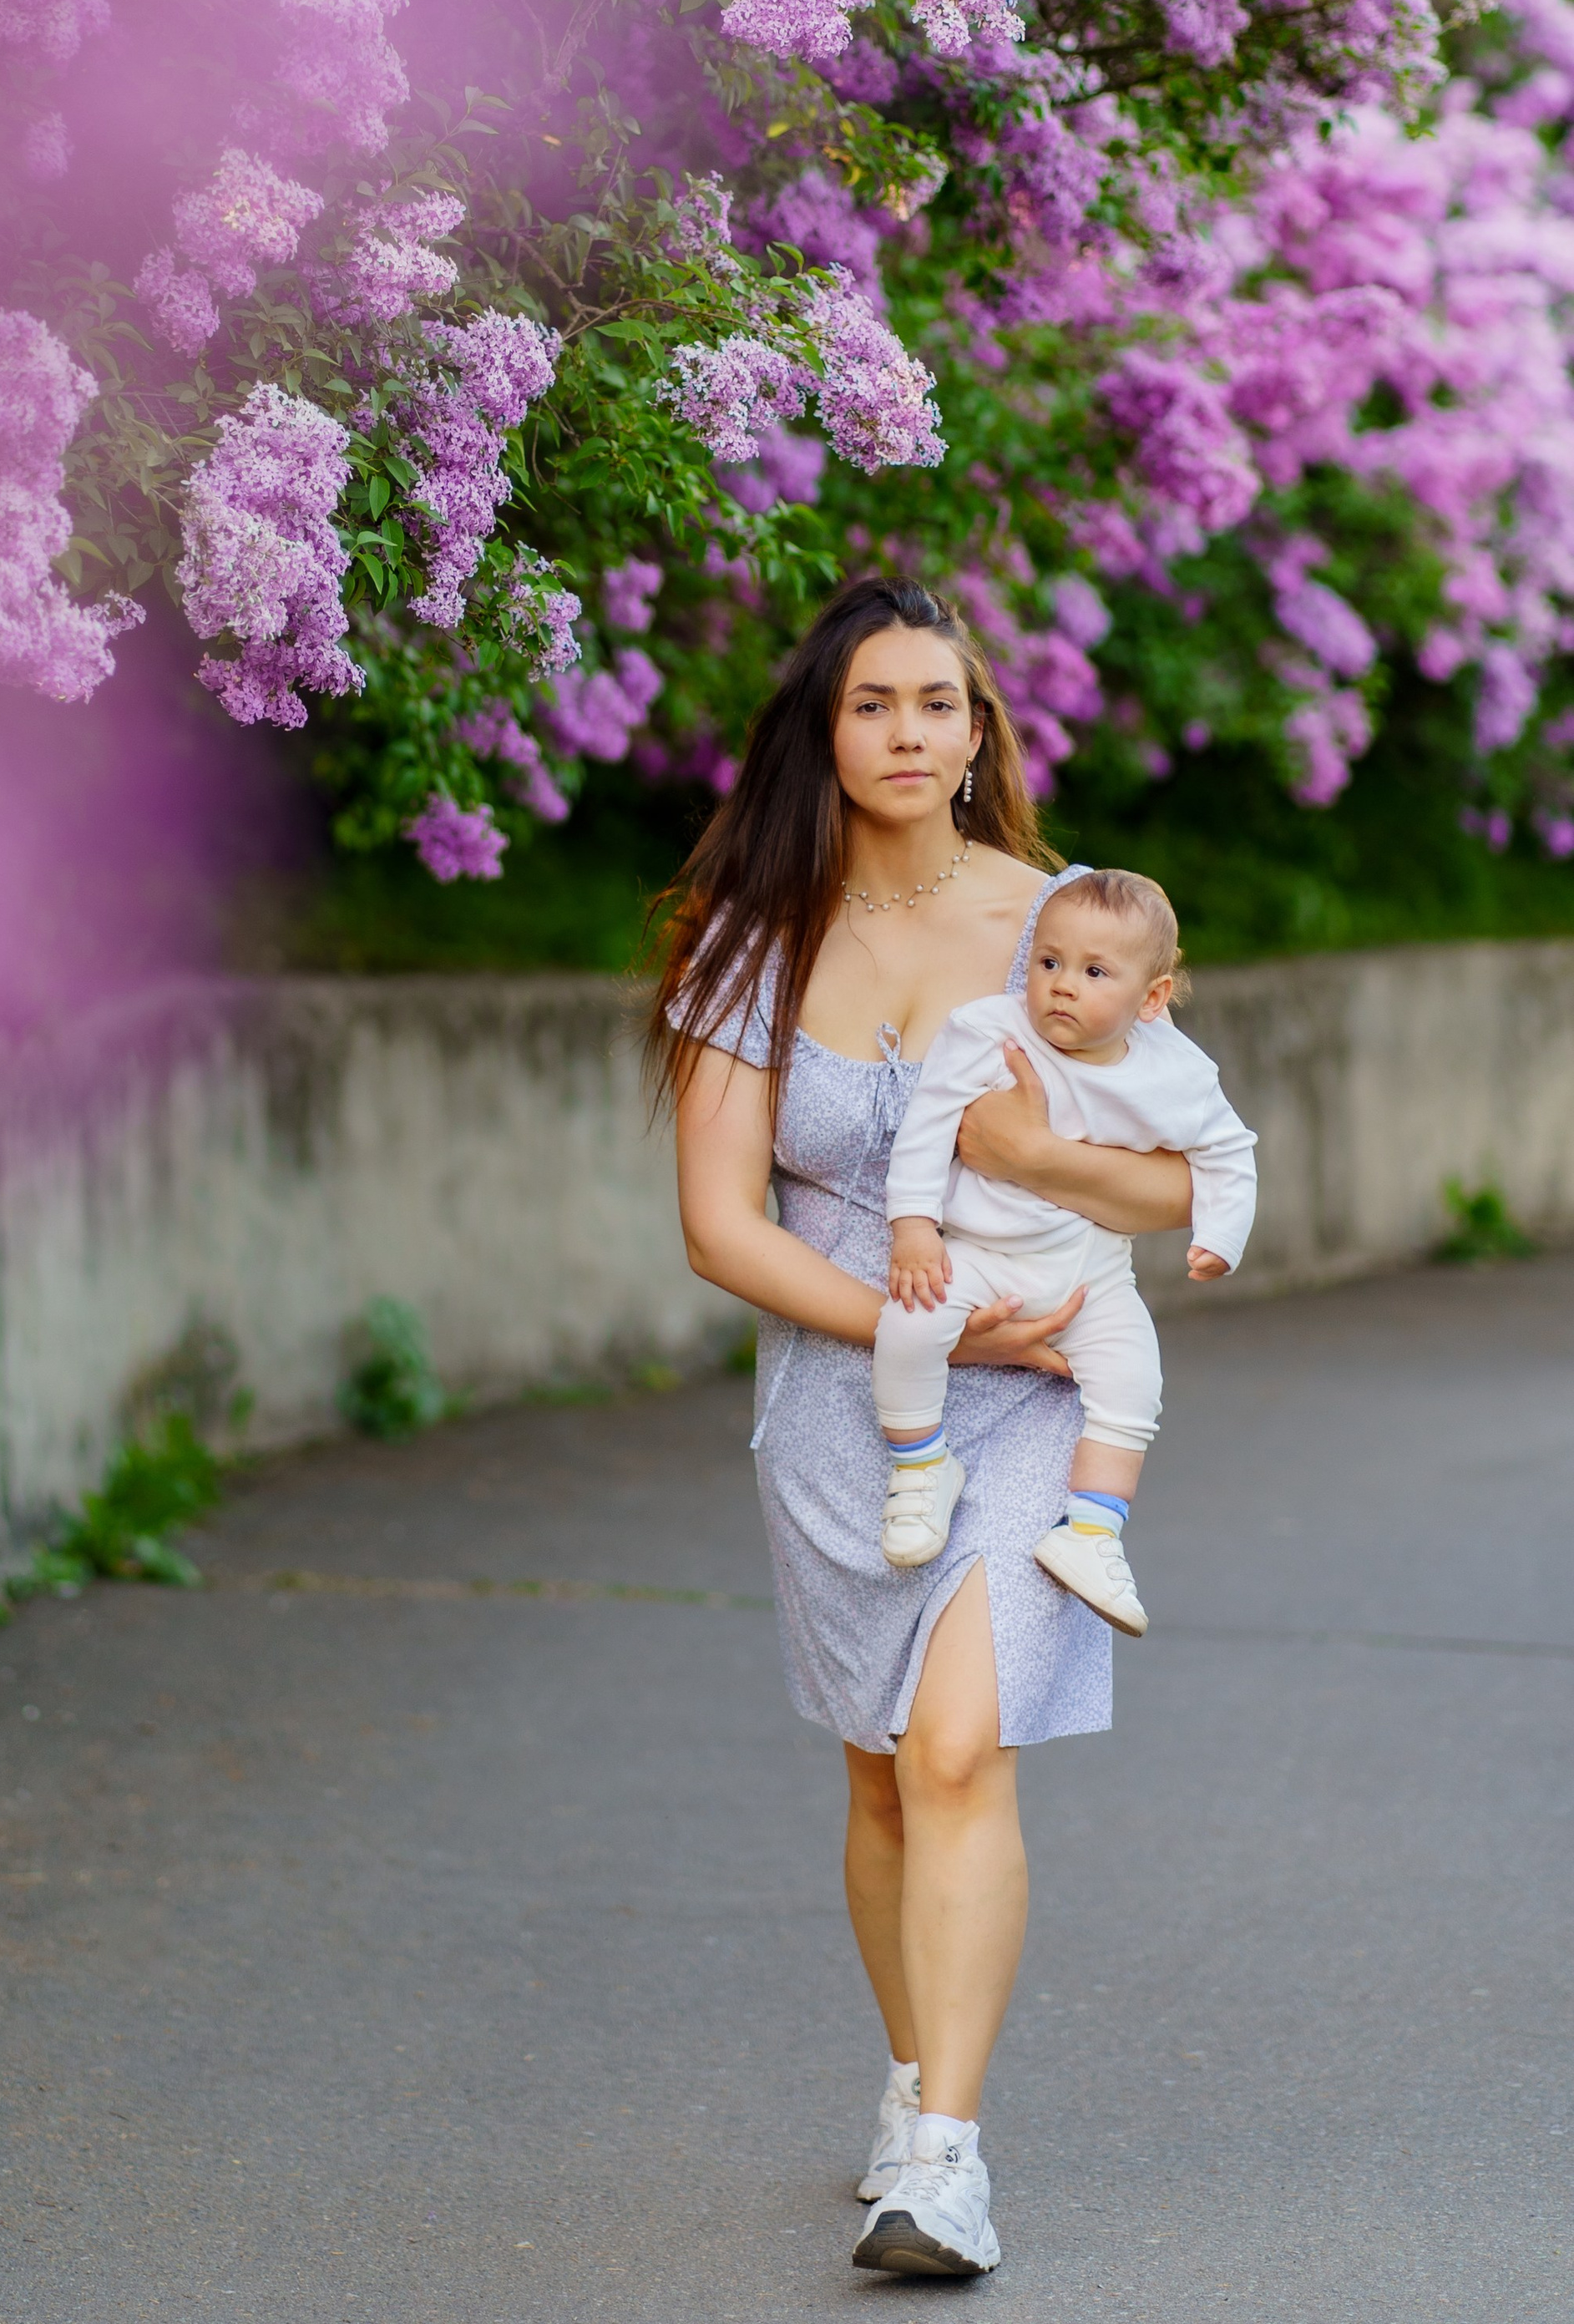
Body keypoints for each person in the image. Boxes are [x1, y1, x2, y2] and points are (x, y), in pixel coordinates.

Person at [653, 575, 1194, 2284]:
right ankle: (905, 2087)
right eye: (873, 703)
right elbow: (719, 1227)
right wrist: (924, 1316)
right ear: (825, 731)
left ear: (977, 735)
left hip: (1035, 1391)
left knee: (959, 1750)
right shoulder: (756, 937)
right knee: (882, 1775)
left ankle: (944, 2163)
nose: (907, 732)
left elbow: (1177, 1166)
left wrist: (1033, 1174)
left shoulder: (1061, 920)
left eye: (938, 703)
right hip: (844, 1398)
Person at [874, 866, 1257, 1638]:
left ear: (1151, 1000)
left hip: (1092, 1269)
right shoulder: (988, 1030)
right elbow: (926, 1125)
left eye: (1094, 972)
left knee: (1133, 1380)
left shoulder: (1173, 1071)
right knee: (908, 1325)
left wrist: (1221, 1236)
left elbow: (1227, 1150)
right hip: (978, 1252)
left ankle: (1091, 1532)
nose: (1061, 986)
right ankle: (921, 1467)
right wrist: (912, 1225)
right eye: (1048, 962)